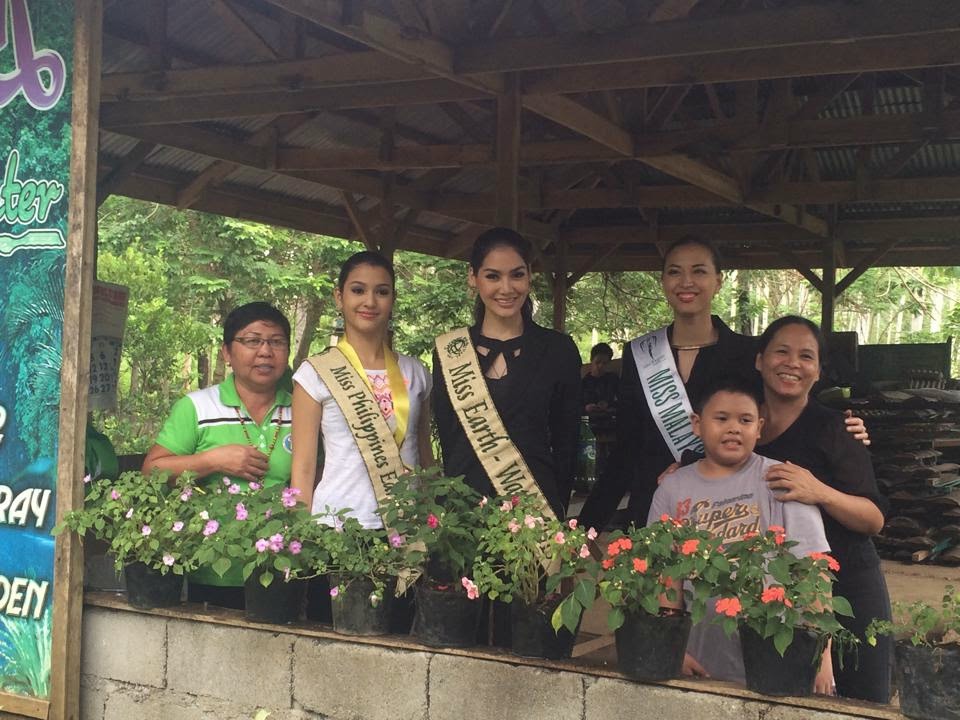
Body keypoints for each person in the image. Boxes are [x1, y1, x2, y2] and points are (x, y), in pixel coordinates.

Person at [579, 236, 868, 531]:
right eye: (675, 272)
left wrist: (842, 427)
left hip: (730, 517)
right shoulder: (640, 354)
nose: (686, 282)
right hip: (655, 513)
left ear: (718, 281)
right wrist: (586, 528)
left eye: (699, 271)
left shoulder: (749, 354)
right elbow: (626, 448)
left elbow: (787, 413)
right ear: (663, 281)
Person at [648, 375, 834, 693]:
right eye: (721, 418)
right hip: (699, 659)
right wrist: (672, 647)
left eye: (745, 420)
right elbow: (665, 575)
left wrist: (822, 656)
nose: (734, 428)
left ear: (759, 428)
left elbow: (813, 569)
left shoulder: (782, 480)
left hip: (779, 657)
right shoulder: (672, 489)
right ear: (697, 424)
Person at [290, 251, 433, 625]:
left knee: (400, 638)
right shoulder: (315, 373)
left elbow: (425, 455)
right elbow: (303, 466)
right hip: (337, 529)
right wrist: (299, 540)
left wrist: (432, 517)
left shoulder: (416, 372)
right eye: (358, 290)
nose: (370, 301)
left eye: (381, 291)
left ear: (393, 299)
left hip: (404, 530)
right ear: (339, 297)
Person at [754, 316, 891, 703]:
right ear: (759, 360)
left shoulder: (836, 429)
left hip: (848, 586)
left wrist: (819, 491)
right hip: (774, 590)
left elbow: (873, 519)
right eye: (781, 351)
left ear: (817, 371)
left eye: (806, 356)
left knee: (860, 702)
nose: (792, 363)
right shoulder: (743, 426)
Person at [143, 301, 294, 608]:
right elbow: (152, 471)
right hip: (213, 572)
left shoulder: (303, 410)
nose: (265, 351)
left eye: (277, 342)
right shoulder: (197, 407)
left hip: (286, 572)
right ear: (226, 352)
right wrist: (213, 460)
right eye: (252, 341)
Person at [432, 227, 581, 520]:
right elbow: (449, 440)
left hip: (534, 513)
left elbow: (567, 442)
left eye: (517, 275)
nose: (506, 288)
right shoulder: (450, 351)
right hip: (464, 513)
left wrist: (557, 511)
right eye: (492, 276)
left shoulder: (558, 350)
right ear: (472, 277)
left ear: (530, 275)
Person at [581, 342, 618, 431]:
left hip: (611, 421)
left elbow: (623, 400)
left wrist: (609, 405)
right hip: (589, 422)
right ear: (591, 361)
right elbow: (575, 405)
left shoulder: (613, 380)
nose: (600, 366)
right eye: (597, 362)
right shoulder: (583, 383)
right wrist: (586, 408)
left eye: (604, 363)